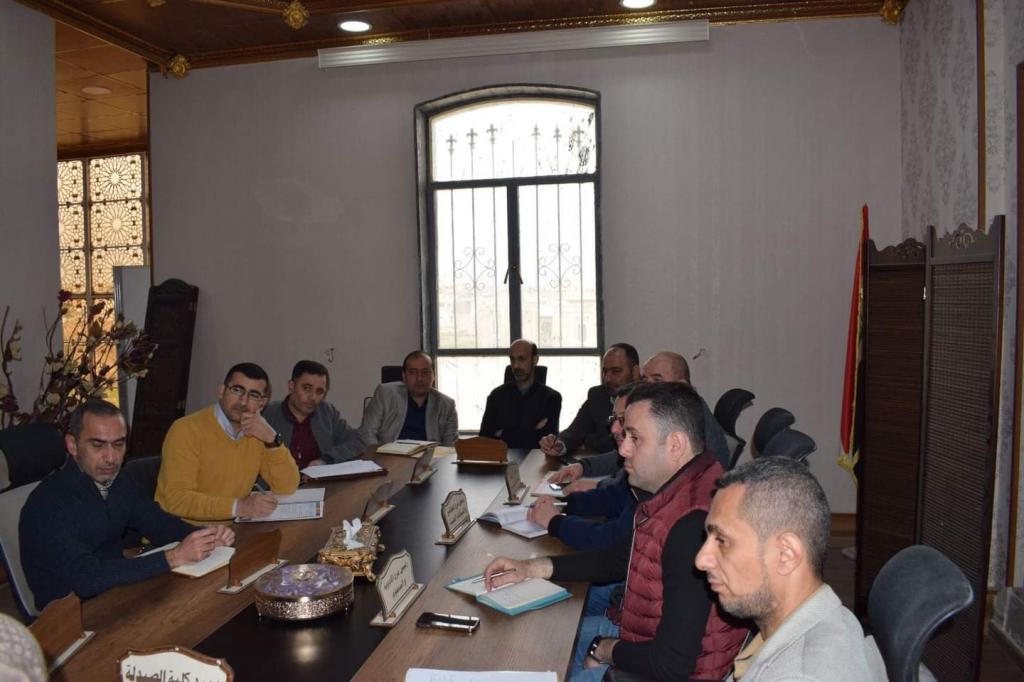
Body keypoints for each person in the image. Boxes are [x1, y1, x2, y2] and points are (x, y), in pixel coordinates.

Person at [484, 382, 746, 681]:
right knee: (539, 638)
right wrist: (530, 568)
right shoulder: (681, 487)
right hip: (642, 637)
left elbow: (673, 664)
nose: (622, 449)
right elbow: (619, 558)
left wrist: (603, 649)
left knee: (541, 646)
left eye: (635, 438)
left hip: (668, 672)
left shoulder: (693, 524)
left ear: (675, 445)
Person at [20, 400, 234, 611]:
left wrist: (204, 536)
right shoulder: (46, 506)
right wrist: (173, 557)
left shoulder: (119, 481)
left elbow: (157, 523)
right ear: (73, 445)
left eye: (118, 444)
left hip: (116, 590)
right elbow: (85, 579)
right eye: (98, 445)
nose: (111, 458)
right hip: (71, 615)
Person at [696, 457, 884, 681]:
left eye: (722, 541)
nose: (701, 560)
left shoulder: (801, 675)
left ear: (786, 555)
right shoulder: (828, 618)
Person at [156, 362, 300, 524]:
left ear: (262, 403)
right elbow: (177, 500)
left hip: (232, 529)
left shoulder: (258, 433)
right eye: (237, 390)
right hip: (181, 531)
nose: (243, 401)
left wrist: (272, 440)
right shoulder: (186, 430)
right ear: (222, 391)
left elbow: (287, 486)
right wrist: (239, 507)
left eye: (253, 395)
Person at [539, 343, 640, 456]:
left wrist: (591, 440)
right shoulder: (598, 395)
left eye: (616, 371)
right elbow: (575, 431)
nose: (607, 378)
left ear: (635, 372)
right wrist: (558, 444)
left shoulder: (649, 399)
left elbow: (613, 446)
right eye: (605, 371)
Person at [265, 360, 366, 468]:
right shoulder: (267, 414)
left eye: (319, 391)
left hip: (319, 477)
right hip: (280, 478)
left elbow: (357, 441)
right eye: (306, 388)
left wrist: (326, 459)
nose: (313, 397)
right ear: (291, 386)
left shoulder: (327, 412)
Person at [359, 351, 458, 446]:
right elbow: (367, 433)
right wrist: (379, 455)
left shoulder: (447, 405)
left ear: (433, 375)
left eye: (425, 372)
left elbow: (450, 447)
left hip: (429, 457)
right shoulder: (385, 393)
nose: (419, 378)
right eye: (413, 372)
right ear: (404, 376)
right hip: (388, 455)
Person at [479, 339, 562, 449]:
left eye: (522, 359)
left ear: (535, 360)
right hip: (502, 457)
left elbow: (547, 441)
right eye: (512, 359)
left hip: (536, 458)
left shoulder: (551, 398)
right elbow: (485, 438)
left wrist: (502, 433)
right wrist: (533, 431)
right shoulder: (496, 396)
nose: (516, 366)